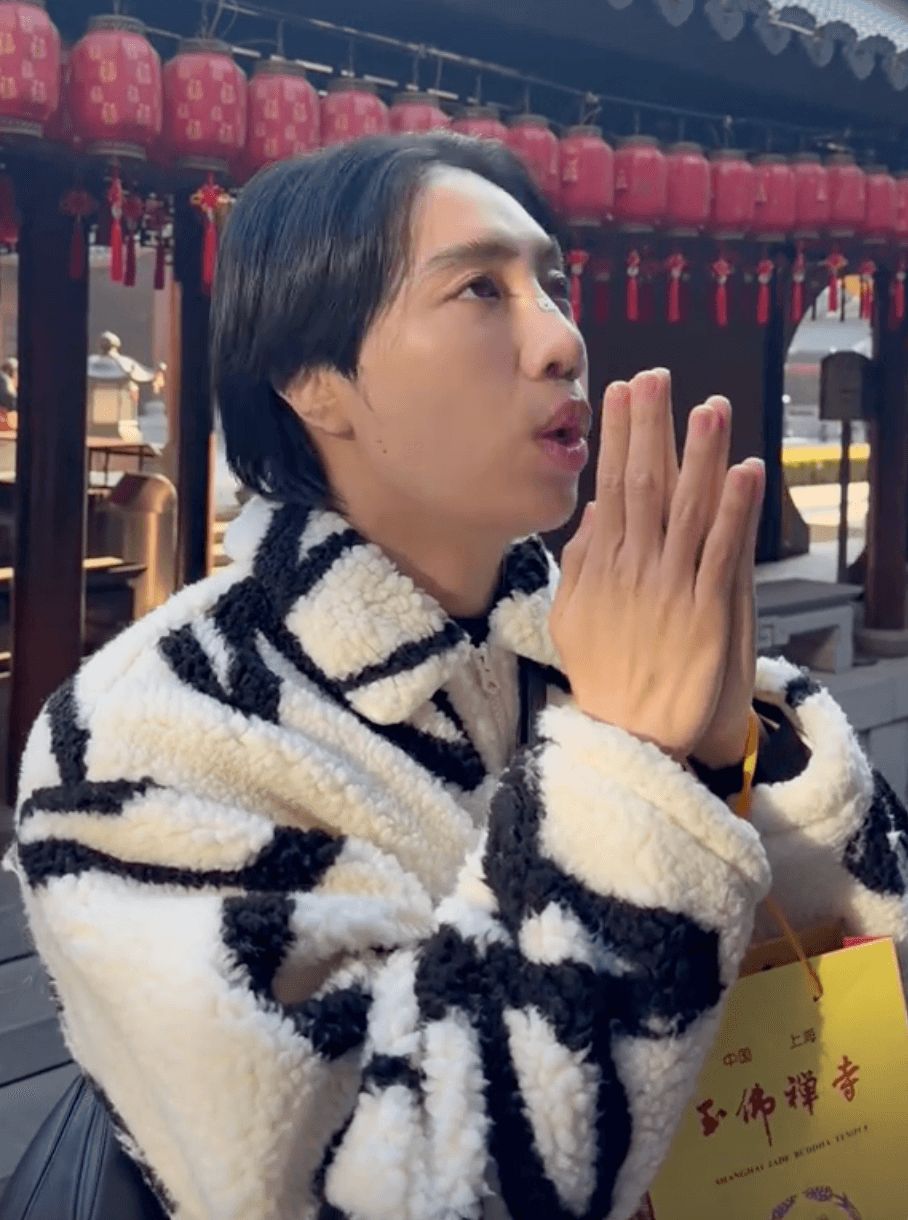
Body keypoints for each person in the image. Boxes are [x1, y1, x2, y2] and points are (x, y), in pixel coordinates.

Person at [6, 134, 906, 1220]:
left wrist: (731, 758)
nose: (562, 337)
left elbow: (862, 957)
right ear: (312, 379)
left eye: (552, 284)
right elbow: (375, 1182)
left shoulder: (599, 649)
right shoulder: (145, 732)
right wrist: (630, 768)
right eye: (480, 288)